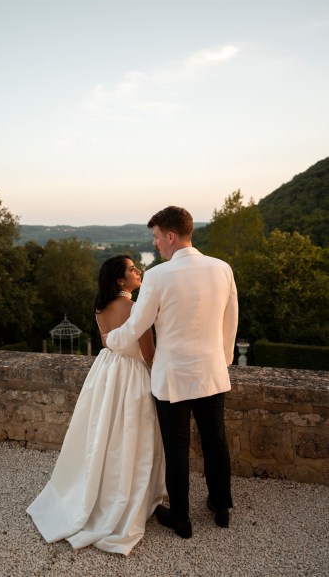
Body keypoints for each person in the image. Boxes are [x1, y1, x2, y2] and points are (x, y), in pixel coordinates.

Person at [106, 206, 238, 539]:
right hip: (211, 373)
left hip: (172, 378)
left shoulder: (159, 276)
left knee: (176, 448)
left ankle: (182, 519)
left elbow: (138, 324)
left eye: (156, 237)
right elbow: (230, 321)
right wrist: (222, 360)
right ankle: (221, 508)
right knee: (215, 440)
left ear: (170, 236)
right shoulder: (222, 269)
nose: (156, 245)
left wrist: (111, 341)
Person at [26, 255, 165, 556]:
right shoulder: (135, 308)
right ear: (120, 280)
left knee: (102, 434)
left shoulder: (100, 307)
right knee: (130, 437)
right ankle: (125, 496)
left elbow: (107, 343)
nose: (137, 271)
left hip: (106, 373)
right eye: (131, 269)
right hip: (130, 375)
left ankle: (95, 491)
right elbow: (149, 353)